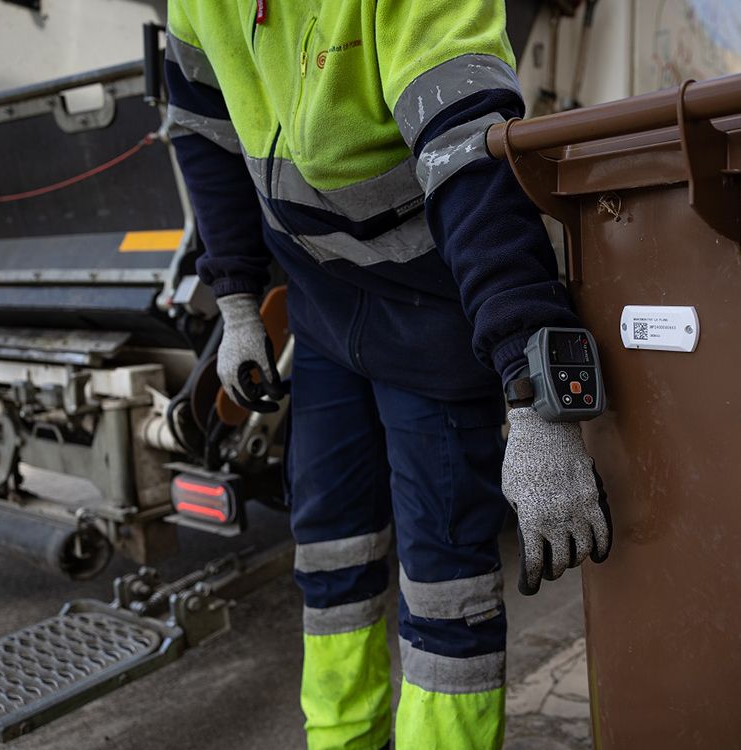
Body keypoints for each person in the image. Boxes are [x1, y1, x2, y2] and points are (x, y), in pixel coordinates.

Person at [163, 2, 612, 748]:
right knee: (331, 563)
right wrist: (238, 302)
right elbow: (205, 132)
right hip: (323, 314)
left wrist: (533, 395)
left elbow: (471, 156)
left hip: (433, 319)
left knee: (447, 592)